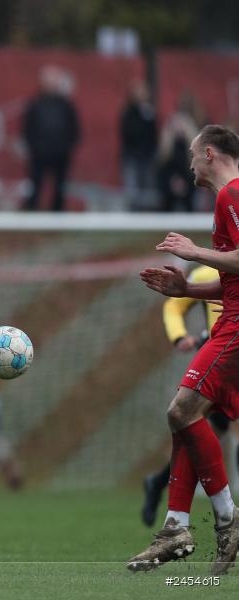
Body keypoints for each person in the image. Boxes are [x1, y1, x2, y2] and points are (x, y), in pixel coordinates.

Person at [132, 124, 239, 574]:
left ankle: (227, 521)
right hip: (230, 321)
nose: (189, 163)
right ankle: (176, 526)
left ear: (210, 153)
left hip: (236, 329)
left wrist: (194, 253)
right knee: (186, 417)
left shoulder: (230, 195)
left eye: (193, 155)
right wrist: (187, 291)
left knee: (180, 411)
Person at [140, 265, 230, 527]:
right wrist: (179, 337)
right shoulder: (207, 274)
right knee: (203, 427)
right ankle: (209, 515)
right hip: (221, 362)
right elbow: (173, 306)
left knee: (207, 432)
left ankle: (159, 485)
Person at [22, 66, 80, 211]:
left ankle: (58, 215)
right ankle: (32, 212)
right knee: (35, 185)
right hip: (39, 153)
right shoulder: (35, 103)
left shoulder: (66, 104)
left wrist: (67, 146)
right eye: (48, 80)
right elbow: (27, 128)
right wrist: (34, 146)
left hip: (60, 154)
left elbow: (74, 128)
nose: (51, 83)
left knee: (60, 187)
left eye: (54, 80)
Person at [120, 80, 158, 210]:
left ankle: (146, 213)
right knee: (132, 187)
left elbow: (153, 133)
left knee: (147, 187)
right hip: (132, 155)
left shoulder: (149, 111)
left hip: (147, 156)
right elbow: (128, 132)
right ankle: (132, 212)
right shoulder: (128, 112)